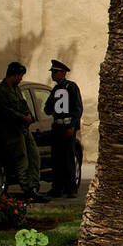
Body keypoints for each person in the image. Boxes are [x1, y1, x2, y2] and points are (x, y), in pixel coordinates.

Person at [0, 61, 45, 202]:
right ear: (13, 75)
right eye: (20, 76)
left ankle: (34, 187)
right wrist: (22, 118)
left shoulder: (16, 89)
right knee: (22, 160)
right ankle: (26, 189)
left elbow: (23, 105)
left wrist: (29, 117)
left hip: (23, 129)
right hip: (11, 131)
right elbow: (6, 111)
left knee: (34, 156)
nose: (21, 79)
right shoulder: (1, 91)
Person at [43, 59, 83, 198]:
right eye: (52, 72)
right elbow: (47, 110)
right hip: (57, 127)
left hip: (67, 126)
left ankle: (71, 188)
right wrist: (52, 102)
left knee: (68, 158)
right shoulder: (55, 89)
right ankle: (57, 187)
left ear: (63, 73)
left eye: (56, 72)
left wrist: (72, 125)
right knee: (56, 159)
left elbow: (78, 109)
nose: (53, 74)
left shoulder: (71, 87)